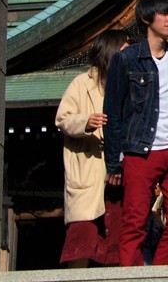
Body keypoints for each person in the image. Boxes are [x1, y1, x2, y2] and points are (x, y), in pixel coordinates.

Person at [104, 0, 168, 266]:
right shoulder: (126, 60)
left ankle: (161, 271)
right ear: (147, 18)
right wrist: (113, 163)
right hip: (140, 151)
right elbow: (113, 113)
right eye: (165, 13)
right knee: (134, 223)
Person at [55, 29, 130, 267]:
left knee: (118, 242)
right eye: (124, 51)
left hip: (119, 174)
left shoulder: (130, 85)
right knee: (82, 238)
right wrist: (85, 121)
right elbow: (62, 119)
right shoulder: (82, 83)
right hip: (89, 172)